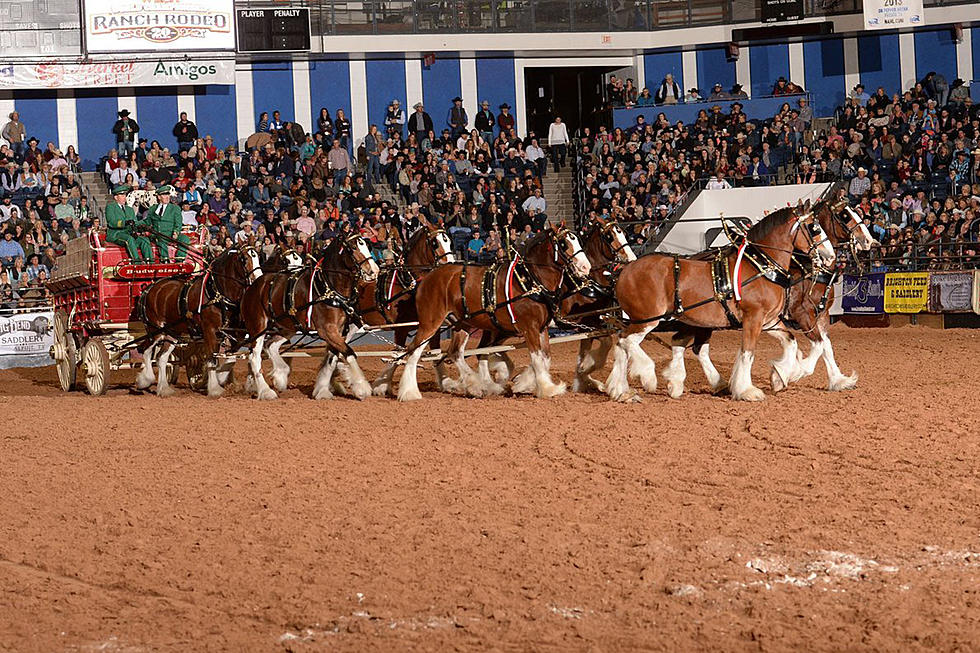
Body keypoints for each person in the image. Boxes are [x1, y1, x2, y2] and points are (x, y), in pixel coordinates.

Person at [105, 184, 152, 263]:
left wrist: (144, 224)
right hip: (116, 234)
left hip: (129, 233)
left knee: (144, 240)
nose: (125, 197)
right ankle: (137, 262)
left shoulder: (129, 209)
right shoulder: (110, 207)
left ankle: (151, 263)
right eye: (122, 195)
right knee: (129, 239)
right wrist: (125, 223)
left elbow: (135, 222)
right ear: (116, 197)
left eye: (125, 195)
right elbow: (111, 222)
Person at [147, 185, 189, 263]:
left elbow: (178, 223)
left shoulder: (175, 208)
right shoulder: (153, 208)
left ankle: (179, 260)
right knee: (160, 239)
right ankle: (165, 261)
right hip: (158, 234)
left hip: (170, 234)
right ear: (159, 197)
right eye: (164, 195)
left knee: (185, 239)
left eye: (168, 194)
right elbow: (147, 222)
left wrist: (176, 231)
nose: (167, 197)